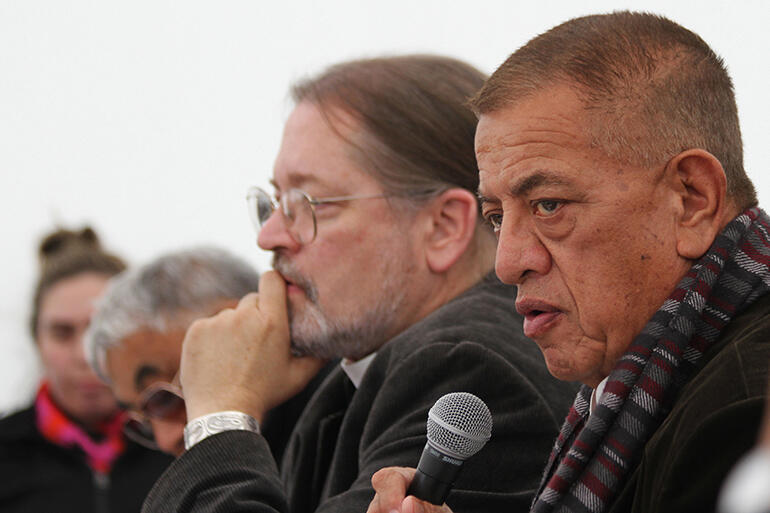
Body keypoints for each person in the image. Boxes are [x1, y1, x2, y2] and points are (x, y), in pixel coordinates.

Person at [368, 11, 770, 513]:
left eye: (549, 205)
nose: (508, 263)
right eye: (496, 217)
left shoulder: (745, 420)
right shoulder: (653, 387)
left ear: (691, 199)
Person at [141, 55, 579, 513]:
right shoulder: (353, 381)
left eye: (308, 203)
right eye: (273, 202)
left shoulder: (466, 369)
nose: (269, 235)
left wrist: (219, 418)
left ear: (443, 228)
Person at [84, 246, 332, 462]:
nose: (165, 440)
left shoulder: (348, 421)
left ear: (242, 320)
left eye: (164, 400)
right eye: (144, 421)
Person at [0, 227, 173, 513]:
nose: (85, 356)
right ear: (37, 340)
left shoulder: (182, 447)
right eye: (62, 333)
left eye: (101, 331)